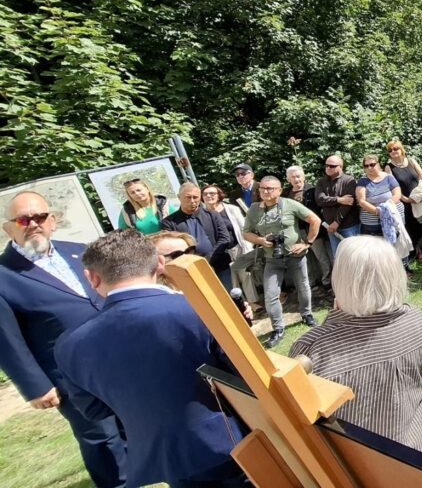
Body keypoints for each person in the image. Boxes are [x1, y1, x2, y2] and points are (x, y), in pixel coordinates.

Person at [54, 229, 248, 488]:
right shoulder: (197, 309)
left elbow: (94, 410)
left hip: (164, 458)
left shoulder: (70, 344)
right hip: (234, 442)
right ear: (159, 263)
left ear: (91, 278)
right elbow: (246, 377)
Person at [0, 192, 127, 488]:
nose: (33, 224)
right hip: (71, 376)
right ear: (9, 228)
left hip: (120, 359)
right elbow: (6, 338)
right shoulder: (4, 276)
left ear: (52, 221)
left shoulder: (80, 251)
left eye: (40, 217)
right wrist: (35, 386)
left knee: (136, 423)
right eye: (23, 219)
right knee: (102, 438)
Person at [289, 236, 422, 460]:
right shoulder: (418, 320)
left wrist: (337, 318)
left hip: (363, 465)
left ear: (342, 279)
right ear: (394, 275)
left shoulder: (313, 348)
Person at [244, 175, 321, 348]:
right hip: (272, 258)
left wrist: (307, 243)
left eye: (270, 188)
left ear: (279, 190)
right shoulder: (254, 209)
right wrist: (261, 241)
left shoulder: (289, 204)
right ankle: (278, 328)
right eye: (262, 188)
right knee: (271, 294)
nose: (265, 191)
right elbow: (246, 232)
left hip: (295, 255)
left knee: (303, 286)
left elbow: (315, 220)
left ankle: (307, 315)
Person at [160, 183, 235, 290]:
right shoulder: (168, 222)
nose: (192, 201)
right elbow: (173, 249)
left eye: (195, 197)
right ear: (179, 197)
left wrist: (208, 259)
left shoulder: (212, 215)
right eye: (188, 197)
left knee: (228, 296)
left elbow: (224, 238)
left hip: (220, 265)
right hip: (190, 270)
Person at [201, 184, 257, 303]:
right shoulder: (202, 215)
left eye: (212, 193)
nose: (209, 196)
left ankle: (254, 303)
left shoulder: (231, 209)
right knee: (231, 279)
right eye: (205, 194)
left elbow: (243, 227)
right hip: (219, 252)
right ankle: (241, 304)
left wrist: (248, 244)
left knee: (245, 275)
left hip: (237, 246)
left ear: (219, 195)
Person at [385, 140, 422, 260]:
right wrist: (406, 199)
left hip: (420, 197)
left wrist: (420, 194)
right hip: (405, 201)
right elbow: (391, 186)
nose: (393, 151)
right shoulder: (389, 167)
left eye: (395, 148)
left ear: (401, 149)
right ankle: (418, 251)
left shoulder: (411, 161)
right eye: (390, 150)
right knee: (412, 226)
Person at [315, 155, 360, 258]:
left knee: (354, 256)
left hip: (349, 226)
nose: (328, 168)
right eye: (326, 165)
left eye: (332, 166)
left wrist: (336, 222)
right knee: (338, 257)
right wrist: (339, 199)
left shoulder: (349, 180)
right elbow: (320, 200)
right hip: (331, 228)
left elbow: (348, 204)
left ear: (340, 166)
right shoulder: (321, 182)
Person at [356, 154, 402, 236]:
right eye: (366, 166)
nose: (369, 168)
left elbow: (397, 194)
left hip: (393, 219)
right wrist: (379, 211)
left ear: (378, 164)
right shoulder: (362, 181)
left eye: (372, 165)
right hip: (372, 225)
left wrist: (387, 206)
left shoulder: (388, 177)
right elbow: (361, 201)